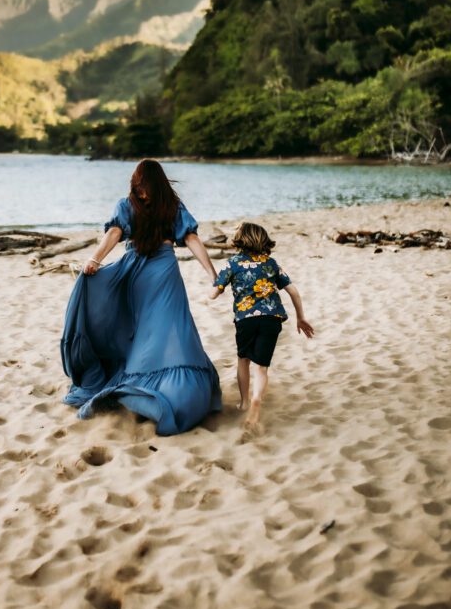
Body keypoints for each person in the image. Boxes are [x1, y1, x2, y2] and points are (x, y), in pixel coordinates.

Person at [60, 159, 222, 436]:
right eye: (138, 187)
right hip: (138, 273)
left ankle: (170, 390)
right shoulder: (138, 205)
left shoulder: (169, 206)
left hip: (162, 271)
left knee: (173, 327)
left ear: (150, 185)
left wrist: (212, 274)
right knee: (145, 330)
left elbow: (192, 239)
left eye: (143, 186)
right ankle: (149, 387)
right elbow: (114, 233)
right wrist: (94, 260)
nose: (141, 191)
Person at [210, 221, 314, 432]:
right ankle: (257, 398)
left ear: (239, 241)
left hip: (246, 320)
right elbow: (293, 291)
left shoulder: (233, 264)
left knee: (243, 360)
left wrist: (214, 289)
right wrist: (300, 318)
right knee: (262, 367)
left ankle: (245, 403)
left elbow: (214, 293)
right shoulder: (271, 263)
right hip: (272, 319)